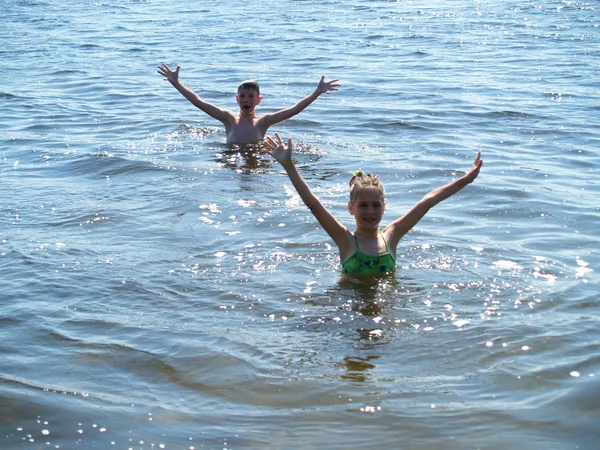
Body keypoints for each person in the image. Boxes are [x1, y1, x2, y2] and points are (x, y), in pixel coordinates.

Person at [264, 133, 483, 276]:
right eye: (363, 205)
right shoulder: (344, 239)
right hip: (349, 309)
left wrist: (466, 179)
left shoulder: (392, 236)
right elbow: (313, 203)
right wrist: (289, 165)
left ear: (384, 206)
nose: (370, 211)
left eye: (376, 205)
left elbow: (428, 201)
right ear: (351, 208)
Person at [157, 63, 340, 145]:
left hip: (255, 156)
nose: (246, 100)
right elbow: (199, 102)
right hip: (231, 156)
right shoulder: (229, 119)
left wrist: (316, 93)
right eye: (243, 96)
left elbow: (293, 110)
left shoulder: (263, 122)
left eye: (251, 96)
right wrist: (177, 84)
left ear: (258, 100)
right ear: (237, 99)